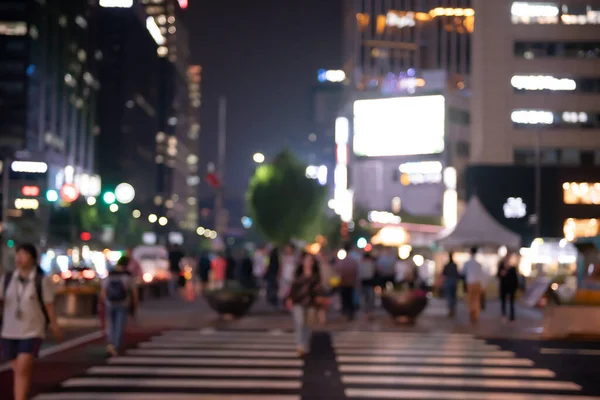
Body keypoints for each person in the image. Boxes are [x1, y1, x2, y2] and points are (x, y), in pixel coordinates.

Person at [0, 243, 63, 400]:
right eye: (18, 254)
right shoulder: (7, 279)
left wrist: (54, 326)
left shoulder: (41, 280)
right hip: (9, 331)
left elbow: (49, 306)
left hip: (32, 330)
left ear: (33, 258)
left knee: (22, 367)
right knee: (20, 370)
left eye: (24, 254)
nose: (20, 257)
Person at [101, 256, 138, 357]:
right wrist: (134, 305)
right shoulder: (127, 276)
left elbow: (103, 291)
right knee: (119, 326)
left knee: (111, 324)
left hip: (110, 303)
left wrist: (104, 302)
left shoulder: (110, 274)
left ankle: (110, 343)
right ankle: (116, 346)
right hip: (123, 303)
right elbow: (134, 292)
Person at [286, 252, 322, 357]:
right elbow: (293, 287)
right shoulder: (298, 274)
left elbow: (319, 290)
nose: (308, 263)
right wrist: (290, 298)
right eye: (306, 260)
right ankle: (299, 345)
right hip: (298, 301)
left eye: (310, 261)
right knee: (300, 322)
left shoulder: (316, 275)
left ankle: (305, 344)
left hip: (311, 302)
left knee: (308, 324)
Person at [335, 243, 359, 321]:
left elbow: (338, 271)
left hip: (344, 283)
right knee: (349, 299)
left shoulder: (342, 261)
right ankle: (350, 313)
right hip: (349, 283)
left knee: (345, 299)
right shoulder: (353, 260)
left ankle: (346, 313)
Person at [462, 247, 484, 323]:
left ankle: (472, 314)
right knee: (476, 300)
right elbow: (482, 275)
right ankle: (475, 315)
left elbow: (462, 272)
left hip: (470, 283)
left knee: (470, 300)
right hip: (477, 283)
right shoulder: (479, 264)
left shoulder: (467, 263)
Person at [497, 252, 519, 322]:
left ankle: (512, 317)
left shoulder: (512, 269)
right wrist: (501, 274)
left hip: (511, 288)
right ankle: (504, 315)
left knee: (511, 303)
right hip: (503, 287)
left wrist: (515, 288)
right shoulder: (501, 267)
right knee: (503, 302)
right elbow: (498, 275)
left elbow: (515, 279)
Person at [359, 252, 376, 320]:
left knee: (367, 299)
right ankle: (368, 313)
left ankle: (368, 313)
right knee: (368, 299)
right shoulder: (371, 264)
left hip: (367, 283)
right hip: (367, 283)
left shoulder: (362, 264)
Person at [442, 252, 460, 317]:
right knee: (453, 296)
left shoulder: (446, 265)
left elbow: (443, 274)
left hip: (448, 281)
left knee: (449, 296)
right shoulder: (455, 265)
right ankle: (453, 310)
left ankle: (450, 310)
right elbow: (457, 274)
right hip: (454, 281)